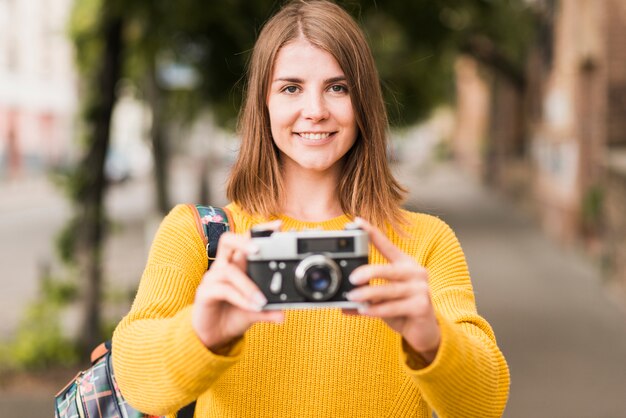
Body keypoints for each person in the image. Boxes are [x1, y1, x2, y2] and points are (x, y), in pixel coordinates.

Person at [112, 1, 510, 417]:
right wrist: (201, 334)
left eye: (338, 87)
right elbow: (139, 384)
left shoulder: (424, 243)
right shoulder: (200, 236)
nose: (316, 111)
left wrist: (432, 340)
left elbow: (484, 405)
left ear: (363, 104)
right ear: (262, 104)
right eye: (291, 88)